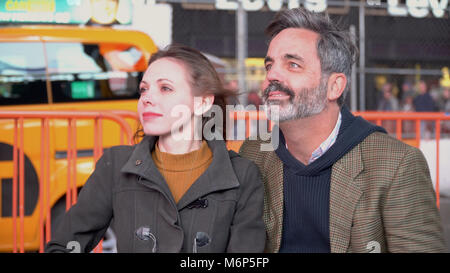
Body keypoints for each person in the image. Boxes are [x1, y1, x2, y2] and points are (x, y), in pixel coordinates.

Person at [239, 8, 446, 253]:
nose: (271, 75)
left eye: (293, 64)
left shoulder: (396, 164)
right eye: (269, 65)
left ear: (334, 86)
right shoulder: (253, 153)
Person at [46, 44, 266, 253]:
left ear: (202, 102)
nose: (147, 98)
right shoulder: (115, 165)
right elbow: (64, 245)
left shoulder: (243, 175)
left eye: (165, 88)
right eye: (144, 89)